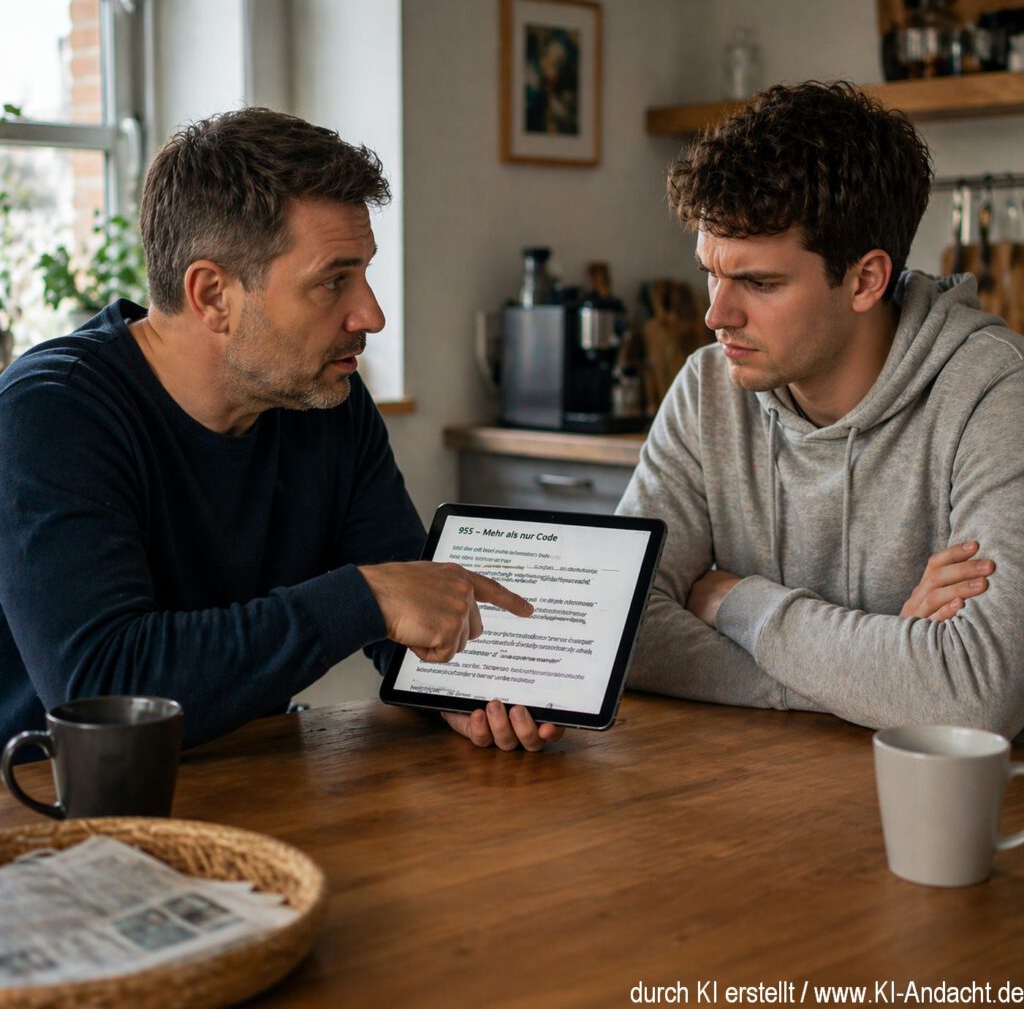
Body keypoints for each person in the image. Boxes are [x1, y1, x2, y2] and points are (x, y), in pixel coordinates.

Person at [0, 108, 563, 753]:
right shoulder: (54, 412)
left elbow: (406, 605)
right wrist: (365, 598)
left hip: (257, 779)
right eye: (333, 281)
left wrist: (459, 694)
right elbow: (101, 690)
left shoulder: (326, 401)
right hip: (51, 807)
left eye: (364, 273)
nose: (371, 315)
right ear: (213, 295)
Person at [618, 81, 1024, 737]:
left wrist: (734, 602)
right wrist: (891, 671)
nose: (715, 314)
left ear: (865, 279)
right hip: (743, 796)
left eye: (758, 282)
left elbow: (976, 694)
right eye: (710, 273)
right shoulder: (707, 389)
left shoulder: (995, 393)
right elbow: (620, 632)